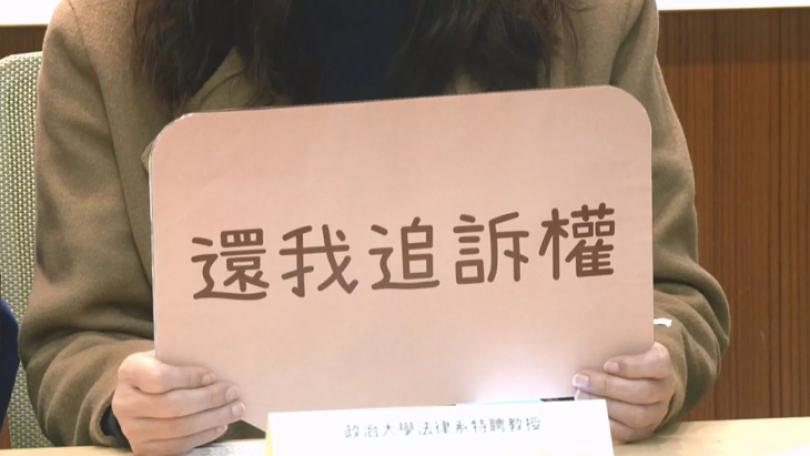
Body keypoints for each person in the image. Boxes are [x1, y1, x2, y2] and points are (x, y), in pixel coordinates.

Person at [20, 0, 730, 455]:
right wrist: (124, 400)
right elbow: (77, 341)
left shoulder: (588, 16)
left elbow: (673, 299)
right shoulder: (109, 36)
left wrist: (656, 369)